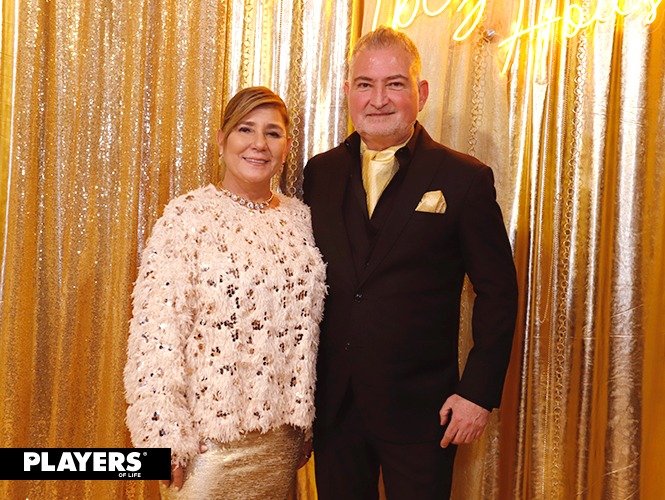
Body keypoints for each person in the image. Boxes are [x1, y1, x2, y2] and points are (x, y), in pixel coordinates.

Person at [303, 27, 519, 499]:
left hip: (424, 411)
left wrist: (477, 393)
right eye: (365, 84)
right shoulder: (320, 172)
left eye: (394, 84)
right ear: (348, 92)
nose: (378, 99)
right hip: (334, 408)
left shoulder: (464, 179)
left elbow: (498, 292)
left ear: (420, 93)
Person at [124, 86, 326, 500]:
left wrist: (305, 422)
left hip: (282, 444)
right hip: (205, 447)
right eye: (245, 129)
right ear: (221, 140)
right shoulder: (186, 217)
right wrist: (163, 437)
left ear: (287, 147)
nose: (259, 143)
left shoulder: (302, 220)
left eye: (272, 133)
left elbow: (309, 332)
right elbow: (156, 336)